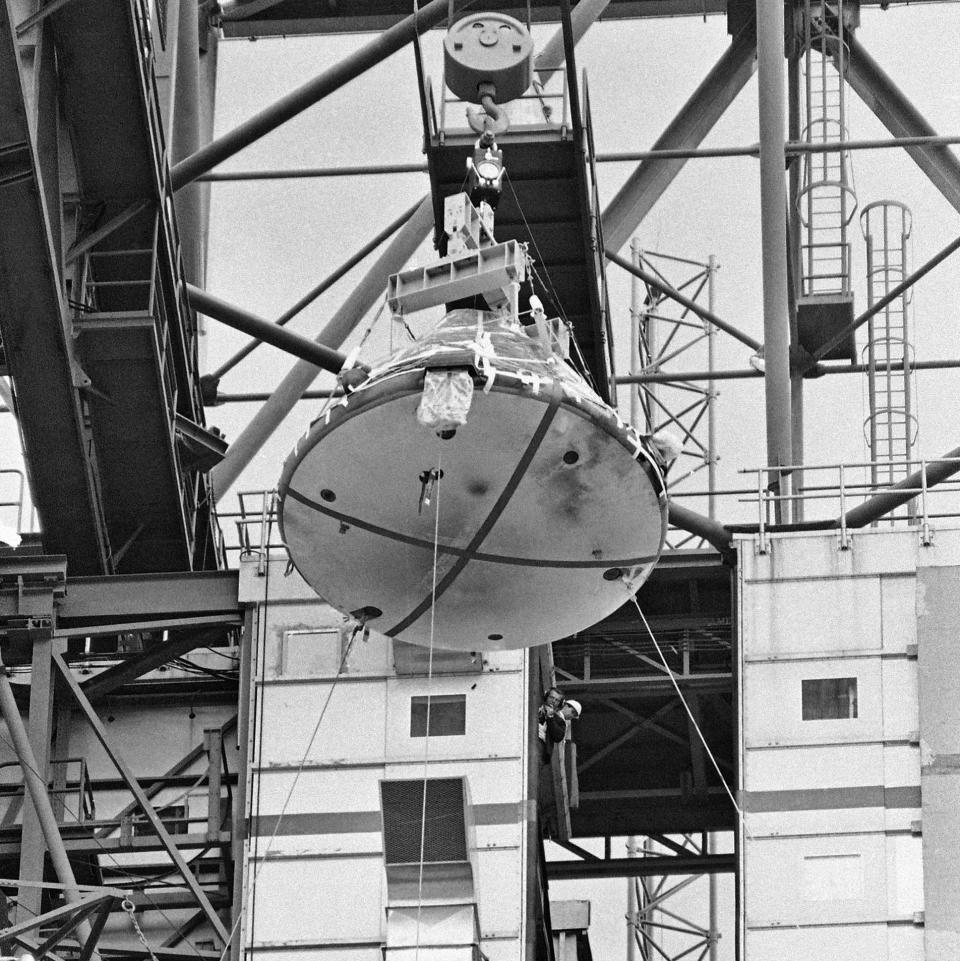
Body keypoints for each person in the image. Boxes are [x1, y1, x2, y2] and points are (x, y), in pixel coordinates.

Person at [538, 688, 582, 763]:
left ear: (560, 703)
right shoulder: (536, 706)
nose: (553, 701)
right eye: (573, 712)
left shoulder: (559, 720)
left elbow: (558, 736)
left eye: (557, 700)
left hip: (539, 747)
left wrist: (550, 717)